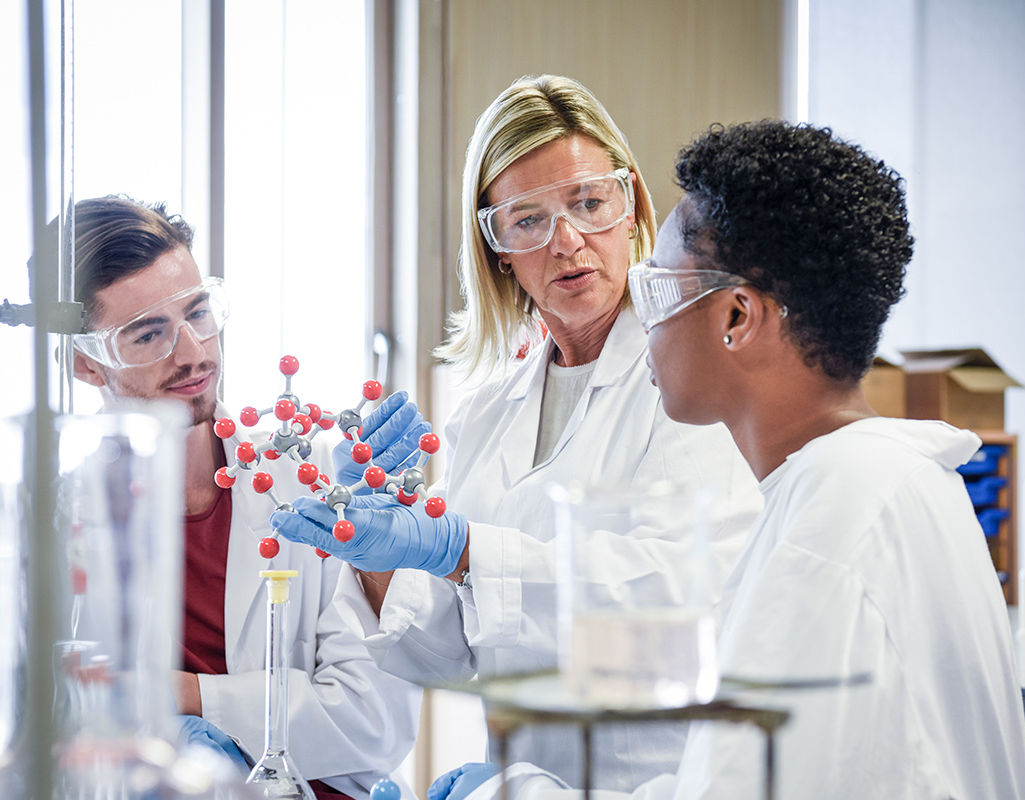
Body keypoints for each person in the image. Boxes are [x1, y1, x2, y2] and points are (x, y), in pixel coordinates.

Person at [426, 120, 1025, 799]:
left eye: (657, 290)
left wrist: (508, 794)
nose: (642, 321)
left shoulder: (825, 526)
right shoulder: (893, 480)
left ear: (737, 318)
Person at [271, 75, 762, 792]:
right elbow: (444, 649)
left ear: (631, 210)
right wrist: (370, 545)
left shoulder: (691, 383)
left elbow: (680, 601)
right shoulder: (487, 410)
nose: (568, 242)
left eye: (590, 202)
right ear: (496, 247)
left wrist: (466, 551)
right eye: (526, 220)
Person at [0, 196, 422, 800]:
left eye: (198, 314)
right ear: (84, 362)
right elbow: (4, 731)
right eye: (149, 334)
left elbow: (374, 724)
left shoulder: (308, 480)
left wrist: (181, 695)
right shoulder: (15, 503)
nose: (193, 354)